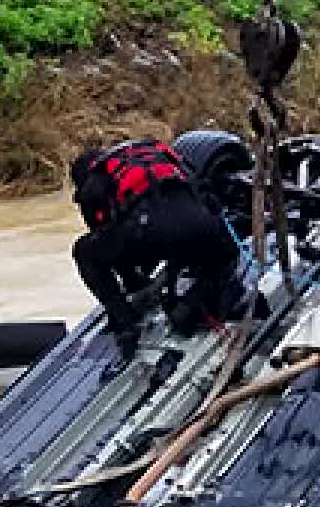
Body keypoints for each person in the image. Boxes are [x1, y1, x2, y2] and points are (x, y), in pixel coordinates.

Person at [70, 138, 245, 363]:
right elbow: (204, 188)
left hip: (150, 235)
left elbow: (105, 238)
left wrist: (132, 280)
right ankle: (191, 301)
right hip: (204, 227)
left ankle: (126, 322)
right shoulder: (155, 153)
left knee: (85, 252)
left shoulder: (94, 183)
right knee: (221, 258)